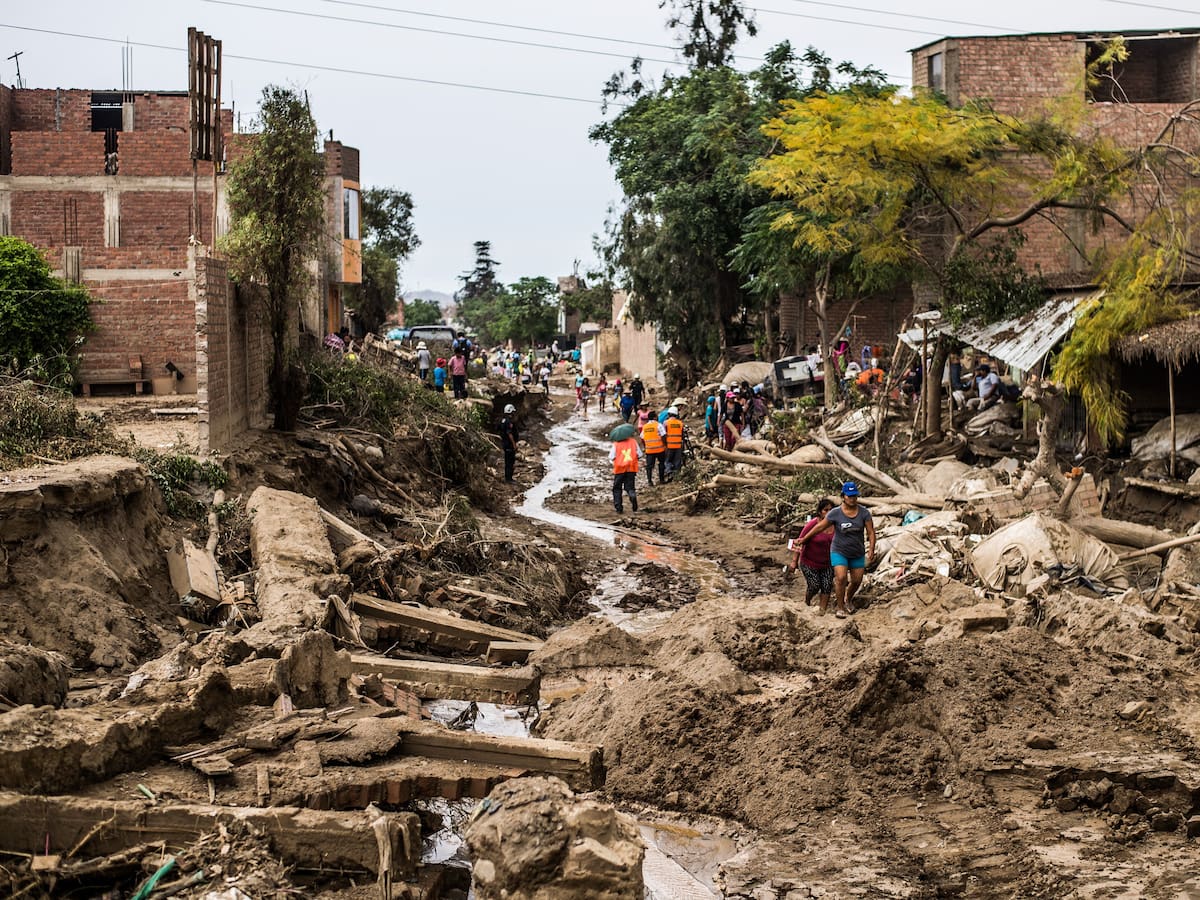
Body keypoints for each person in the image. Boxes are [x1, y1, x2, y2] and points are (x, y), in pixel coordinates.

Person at [793, 482, 875, 618]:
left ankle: (848, 598)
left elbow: (871, 532)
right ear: (843, 497)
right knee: (841, 578)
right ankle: (840, 607)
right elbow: (818, 527)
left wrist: (871, 548)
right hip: (839, 551)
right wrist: (803, 539)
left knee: (856, 580)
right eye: (850, 496)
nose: (853, 499)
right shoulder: (835, 513)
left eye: (855, 496)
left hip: (857, 552)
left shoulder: (864, 513)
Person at [788, 498, 836, 614]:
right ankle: (807, 601)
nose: (829, 512)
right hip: (809, 562)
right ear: (820, 512)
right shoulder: (812, 524)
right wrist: (794, 561)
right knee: (814, 585)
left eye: (831, 510)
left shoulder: (836, 525)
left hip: (827, 563)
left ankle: (822, 610)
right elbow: (799, 542)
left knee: (826, 586)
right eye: (826, 510)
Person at [610, 431, 640, 514]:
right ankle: (632, 494)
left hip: (619, 469)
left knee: (617, 488)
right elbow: (639, 454)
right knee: (630, 487)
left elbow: (611, 457)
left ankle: (619, 508)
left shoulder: (616, 444)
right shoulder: (633, 442)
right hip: (631, 468)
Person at [640, 413, 666, 486]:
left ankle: (650, 481)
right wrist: (665, 445)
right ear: (654, 417)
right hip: (659, 449)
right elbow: (663, 435)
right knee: (661, 463)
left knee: (649, 466)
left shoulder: (645, 427)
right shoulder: (658, 425)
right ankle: (661, 479)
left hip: (649, 450)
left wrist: (645, 445)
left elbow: (642, 437)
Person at [662, 406, 685, 480]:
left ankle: (669, 471)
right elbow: (682, 434)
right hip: (678, 445)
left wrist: (664, 444)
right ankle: (676, 476)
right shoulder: (680, 423)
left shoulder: (666, 423)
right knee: (677, 461)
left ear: (669, 414)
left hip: (669, 445)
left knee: (667, 460)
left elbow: (663, 434)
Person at [499, 403, 518, 483]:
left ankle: (508, 477)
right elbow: (509, 434)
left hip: (505, 444)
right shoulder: (508, 422)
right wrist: (514, 445)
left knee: (508, 461)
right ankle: (509, 479)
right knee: (510, 461)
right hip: (509, 445)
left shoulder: (503, 420)